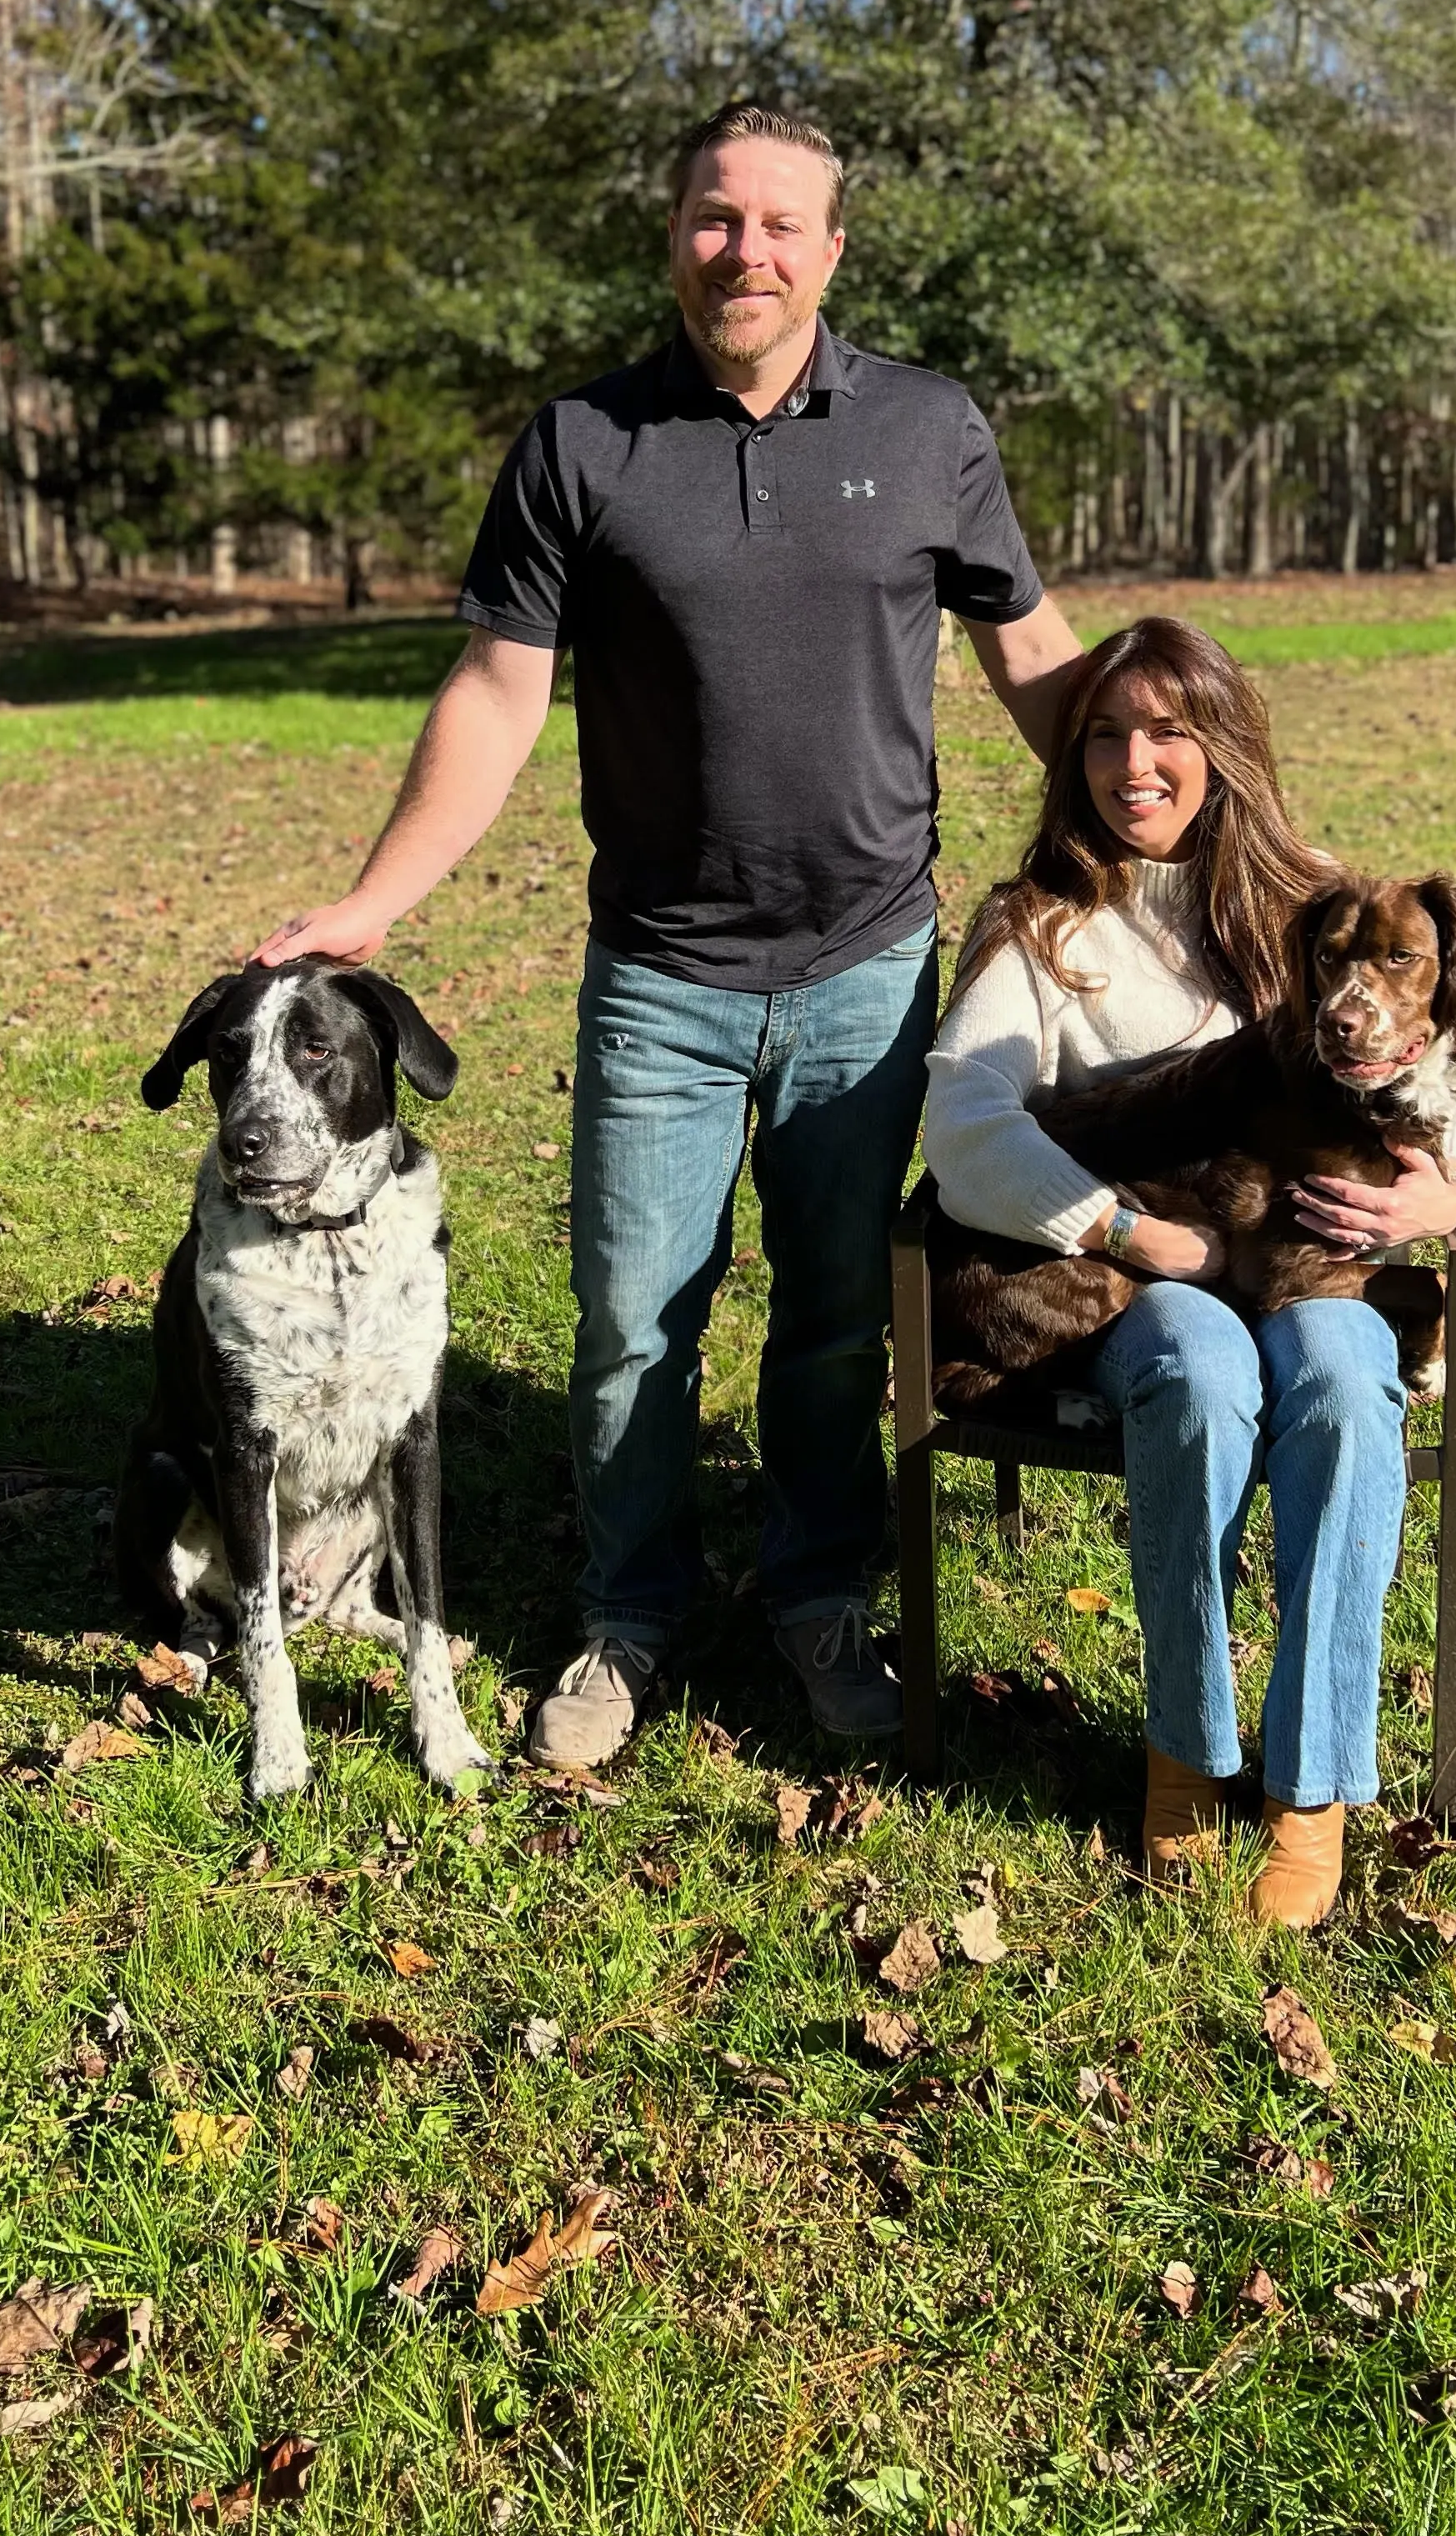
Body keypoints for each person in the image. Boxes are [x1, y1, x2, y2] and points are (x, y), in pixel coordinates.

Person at [258, 102, 1081, 1763]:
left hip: (870, 969)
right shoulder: (584, 445)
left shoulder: (928, 431)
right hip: (661, 982)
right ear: (674, 233)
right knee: (634, 1319)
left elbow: (1034, 654)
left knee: (842, 1315)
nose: (747, 252)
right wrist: (372, 902)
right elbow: (499, 694)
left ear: (834, 250)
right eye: (718, 218)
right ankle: (627, 1618)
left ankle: (817, 1596)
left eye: (783, 224)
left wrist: (1201, 837)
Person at [921, 616, 1456, 1929]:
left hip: (1322, 1266)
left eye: (1168, 733)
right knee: (1195, 1368)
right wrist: (1129, 1236)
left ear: (1220, 745)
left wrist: (1443, 1187)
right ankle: (1184, 1753)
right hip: (1154, 1271)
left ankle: (1314, 1786)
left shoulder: (1314, 900)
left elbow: (1449, 1071)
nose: (1137, 764)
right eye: (1109, 735)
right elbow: (964, 1121)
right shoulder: (1042, 927)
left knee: (1351, 1384)